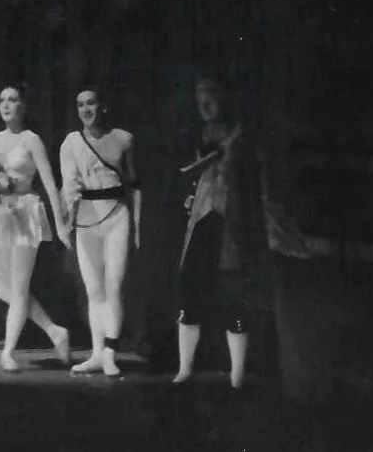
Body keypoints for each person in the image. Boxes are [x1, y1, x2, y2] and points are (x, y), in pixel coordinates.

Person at [172, 77, 310, 389]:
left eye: (210, 99)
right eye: (199, 101)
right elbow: (193, 177)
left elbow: (264, 189)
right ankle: (185, 369)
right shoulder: (203, 137)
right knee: (190, 289)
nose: (204, 107)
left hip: (234, 225)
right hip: (204, 220)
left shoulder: (246, 139)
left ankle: (237, 376)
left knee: (234, 295)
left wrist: (276, 229)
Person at [0, 85, 73, 372]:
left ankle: (8, 351)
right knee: (0, 287)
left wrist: (60, 227)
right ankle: (55, 331)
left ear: (24, 106)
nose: (6, 105)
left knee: (20, 289)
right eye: (2, 100)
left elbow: (49, 183)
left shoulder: (31, 140)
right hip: (0, 213)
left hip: (26, 213)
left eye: (13, 99)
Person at [59, 88, 142, 377]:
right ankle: (96, 353)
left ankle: (109, 353)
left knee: (113, 286)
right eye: (80, 104)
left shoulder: (123, 138)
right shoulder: (71, 142)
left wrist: (138, 227)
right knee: (93, 290)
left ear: (102, 106)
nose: (86, 109)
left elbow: (136, 185)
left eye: (91, 103)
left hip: (117, 217)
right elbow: (67, 187)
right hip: (86, 221)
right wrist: (66, 220)